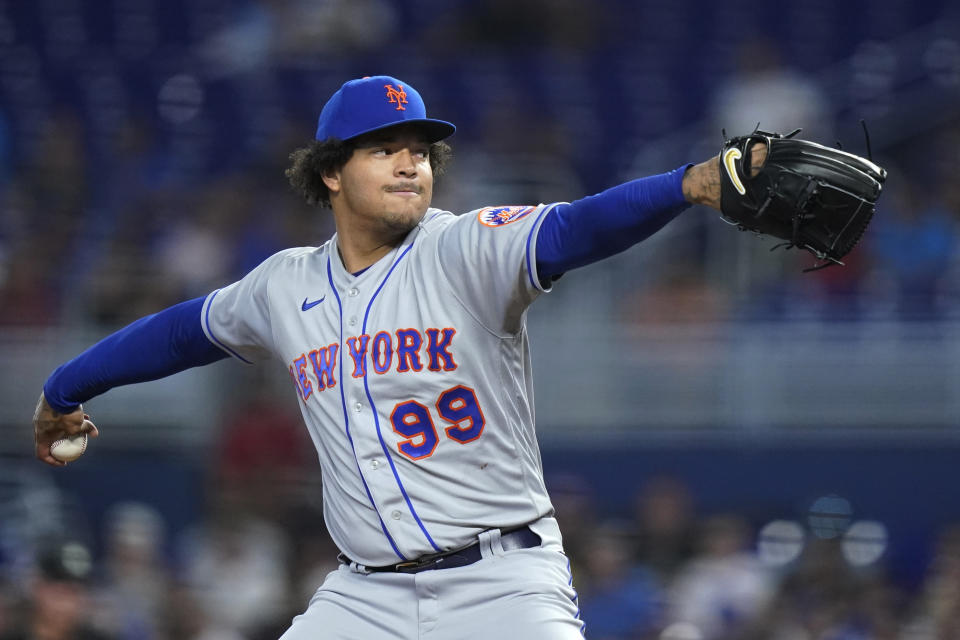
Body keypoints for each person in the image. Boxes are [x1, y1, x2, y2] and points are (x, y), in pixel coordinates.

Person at [33, 75, 763, 639]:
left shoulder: (463, 247)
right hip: (366, 596)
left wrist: (688, 184)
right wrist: (66, 386)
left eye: (420, 150)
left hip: (502, 581)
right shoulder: (285, 284)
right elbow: (180, 333)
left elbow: (575, 229)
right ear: (330, 172)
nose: (410, 163)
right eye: (385, 148)